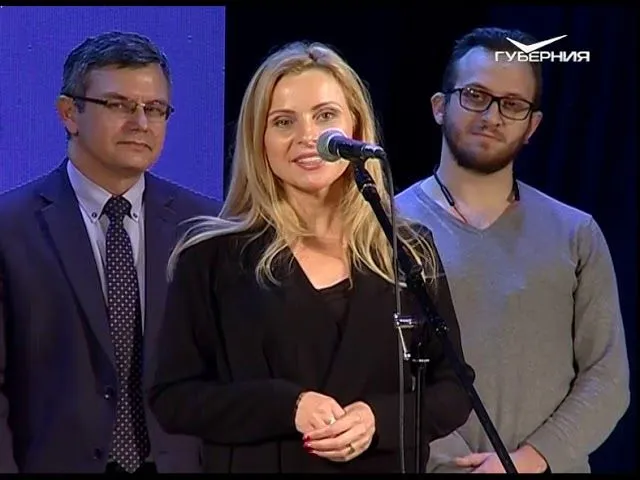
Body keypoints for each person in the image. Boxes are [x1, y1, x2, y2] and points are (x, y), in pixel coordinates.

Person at [147, 40, 474, 473]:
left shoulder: (406, 249)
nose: (307, 136)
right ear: (258, 139)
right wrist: (287, 406)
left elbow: (455, 389)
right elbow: (174, 399)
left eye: (325, 116)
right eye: (283, 121)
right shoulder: (210, 257)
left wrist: (379, 419)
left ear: (355, 127)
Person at [395, 27, 630, 473]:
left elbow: (608, 377)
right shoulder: (383, 229)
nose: (493, 116)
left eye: (513, 104)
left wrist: (526, 460)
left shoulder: (576, 234)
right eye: (476, 96)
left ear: (532, 126)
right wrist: (452, 461)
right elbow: (372, 373)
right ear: (439, 107)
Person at [0, 31, 222, 473]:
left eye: (155, 109)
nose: (141, 123)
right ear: (69, 113)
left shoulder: (203, 226)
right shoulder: (10, 228)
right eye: (119, 105)